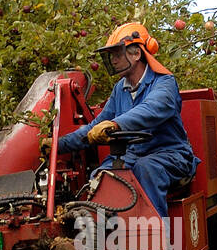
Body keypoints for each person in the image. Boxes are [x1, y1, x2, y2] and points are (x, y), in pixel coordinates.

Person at [43, 22, 200, 221]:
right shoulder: (120, 89)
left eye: (117, 54)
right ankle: (106, 241)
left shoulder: (164, 83)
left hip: (170, 155)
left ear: (136, 54)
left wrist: (116, 125)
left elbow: (151, 109)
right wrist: (58, 145)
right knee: (101, 177)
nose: (113, 60)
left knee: (147, 168)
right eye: (112, 56)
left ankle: (158, 245)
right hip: (132, 156)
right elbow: (94, 127)